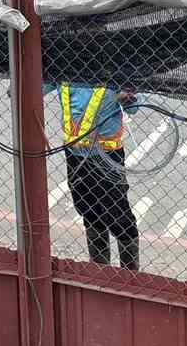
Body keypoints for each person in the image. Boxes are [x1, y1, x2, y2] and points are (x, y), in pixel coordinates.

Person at [47, 82, 141, 271]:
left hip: (106, 156)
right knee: (87, 209)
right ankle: (99, 270)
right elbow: (36, 84)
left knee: (117, 214)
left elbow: (134, 107)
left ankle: (130, 274)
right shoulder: (64, 69)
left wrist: (128, 98)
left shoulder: (113, 72)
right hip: (74, 153)